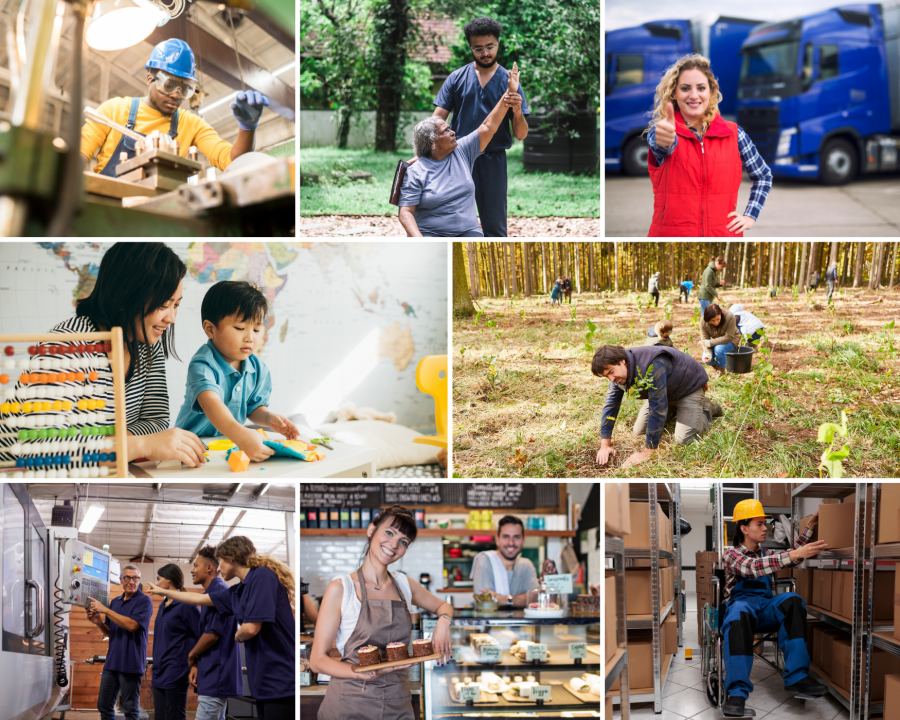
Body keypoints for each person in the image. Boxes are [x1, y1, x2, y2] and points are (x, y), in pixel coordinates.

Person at [0, 242, 208, 467]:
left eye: (176, 304)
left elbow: (156, 420)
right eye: (163, 305)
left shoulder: (148, 343)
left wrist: (116, 447)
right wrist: (138, 446)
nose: (171, 318)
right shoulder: (65, 345)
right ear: (125, 297)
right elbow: (39, 450)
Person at [310, 506, 455, 720]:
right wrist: (360, 671)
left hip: (397, 704)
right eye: (389, 532)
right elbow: (317, 660)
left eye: (403, 541)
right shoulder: (342, 587)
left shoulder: (404, 584)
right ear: (371, 530)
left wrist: (443, 622)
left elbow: (444, 606)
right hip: (350, 704)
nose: (394, 545)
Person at [146, 537, 295, 720]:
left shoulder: (262, 575)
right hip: (262, 680)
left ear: (231, 558)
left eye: (221, 561)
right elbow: (198, 599)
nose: (218, 567)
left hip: (280, 678)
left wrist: (238, 635)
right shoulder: (237, 590)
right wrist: (163, 592)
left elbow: (250, 629)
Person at [81, 39, 270, 176]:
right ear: (150, 79)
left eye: (185, 89)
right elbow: (79, 154)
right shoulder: (113, 110)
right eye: (169, 84)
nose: (176, 95)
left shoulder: (191, 124)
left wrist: (247, 128)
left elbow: (232, 161)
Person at [420, 17, 530, 237]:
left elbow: (521, 134)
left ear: (498, 44)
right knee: (451, 222)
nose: (485, 53)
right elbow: (435, 122)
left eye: (490, 47)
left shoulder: (510, 82)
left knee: (495, 226)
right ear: (470, 47)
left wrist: (517, 110)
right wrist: (422, 155)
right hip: (457, 157)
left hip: (493, 158)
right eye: (478, 48)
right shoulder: (456, 78)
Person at [721, 500, 829, 717]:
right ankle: (737, 694)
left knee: (793, 599)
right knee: (737, 613)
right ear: (743, 528)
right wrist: (794, 555)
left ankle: (797, 677)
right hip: (742, 610)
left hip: (765, 609)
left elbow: (793, 555)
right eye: (759, 524)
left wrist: (810, 526)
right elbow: (752, 569)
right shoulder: (731, 555)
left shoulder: (766, 554)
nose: (765, 528)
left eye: (765, 524)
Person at [644, 54, 772, 237]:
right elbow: (662, 147)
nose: (694, 95)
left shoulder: (734, 134)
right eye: (685, 88)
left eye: (701, 88)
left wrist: (750, 216)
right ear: (674, 93)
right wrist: (664, 141)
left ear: (711, 91)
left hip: (723, 236)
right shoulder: (662, 132)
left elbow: (763, 176)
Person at [174, 280, 299, 461]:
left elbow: (253, 408)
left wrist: (269, 418)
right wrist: (242, 435)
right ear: (210, 329)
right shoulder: (202, 365)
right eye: (240, 328)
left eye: (256, 329)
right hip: (191, 447)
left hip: (228, 444)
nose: (250, 338)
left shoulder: (258, 369)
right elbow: (212, 405)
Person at [593, 344, 722, 469]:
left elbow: (658, 408)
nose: (611, 378)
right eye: (606, 376)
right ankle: (678, 410)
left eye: (611, 372)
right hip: (664, 393)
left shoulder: (650, 364)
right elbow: (610, 405)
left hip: (688, 389)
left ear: (622, 361)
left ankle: (706, 408)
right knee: (639, 430)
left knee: (684, 439)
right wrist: (605, 445)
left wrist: (648, 451)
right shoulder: (616, 377)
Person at [85, 564, 153, 720]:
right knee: (104, 705)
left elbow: (132, 625)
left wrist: (106, 610)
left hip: (131, 664)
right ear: (121, 579)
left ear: (139, 579)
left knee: (130, 709)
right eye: (127, 578)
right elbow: (110, 632)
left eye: (135, 578)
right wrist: (99, 622)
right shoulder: (115, 602)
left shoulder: (144, 601)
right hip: (112, 663)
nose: (131, 581)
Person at [187, 545, 243, 720]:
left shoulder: (219, 592)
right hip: (210, 673)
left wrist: (192, 655)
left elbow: (212, 634)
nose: (192, 570)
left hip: (216, 675)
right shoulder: (211, 593)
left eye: (196, 565)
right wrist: (196, 664)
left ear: (209, 567)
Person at [152, 564, 201, 720]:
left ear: (169, 580)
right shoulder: (162, 605)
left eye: (159, 579)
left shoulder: (187, 606)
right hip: (159, 671)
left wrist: (194, 664)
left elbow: (200, 636)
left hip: (176, 671)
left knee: (175, 715)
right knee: (160, 715)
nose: (157, 583)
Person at [472, 515, 539, 608]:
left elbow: (535, 598)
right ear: (497, 539)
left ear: (523, 540)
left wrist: (502, 599)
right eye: (506, 537)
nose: (511, 542)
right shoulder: (485, 560)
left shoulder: (526, 565)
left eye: (516, 537)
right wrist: (521, 599)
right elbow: (485, 603)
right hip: (490, 622)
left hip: (523, 623)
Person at [699, 304, 742, 370]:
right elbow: (705, 339)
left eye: (718, 319)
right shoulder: (703, 321)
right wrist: (708, 354)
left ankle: (722, 369)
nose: (716, 322)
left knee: (718, 349)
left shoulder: (729, 316)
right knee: (705, 358)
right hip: (716, 341)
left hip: (732, 339)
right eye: (713, 320)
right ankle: (716, 366)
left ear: (721, 315)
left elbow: (729, 337)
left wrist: (709, 343)